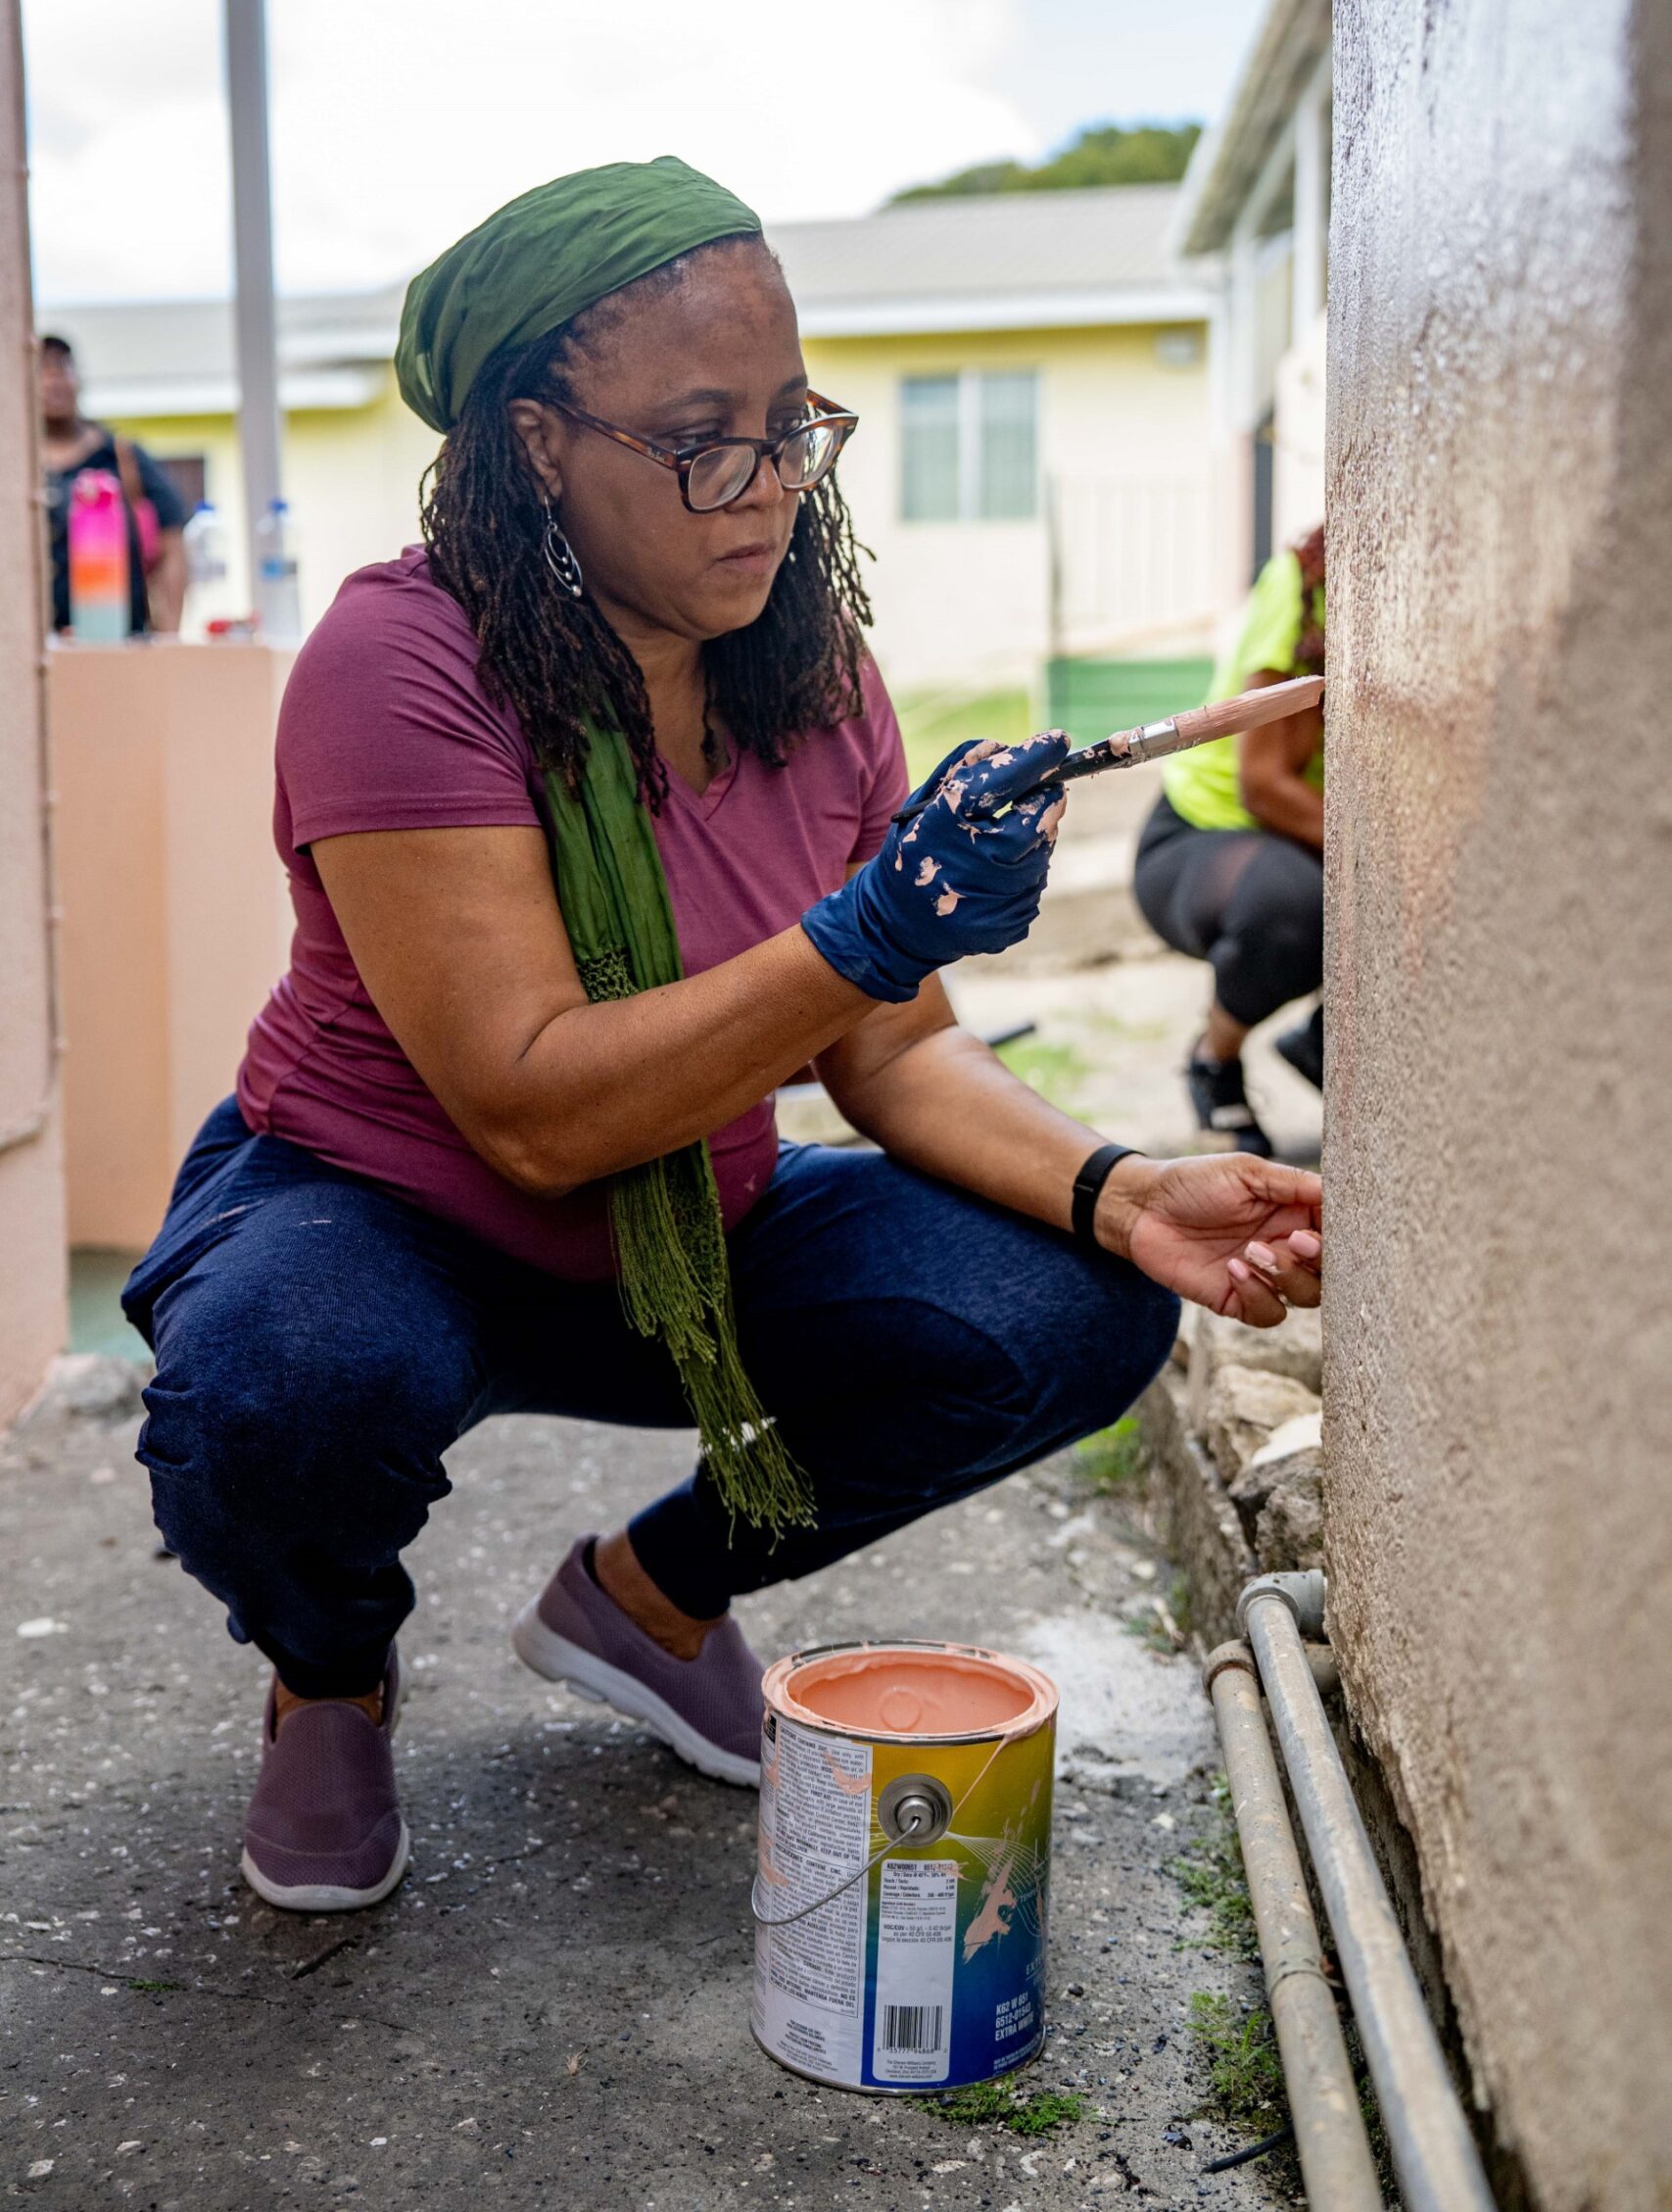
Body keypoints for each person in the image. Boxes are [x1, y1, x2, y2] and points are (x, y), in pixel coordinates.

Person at [121, 159, 1322, 1914]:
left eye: (789, 425)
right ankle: (328, 1671)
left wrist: (1117, 1189)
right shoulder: (401, 658)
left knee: (1069, 1304)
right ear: (538, 441)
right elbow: (529, 1109)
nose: (764, 490)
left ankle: (644, 1600)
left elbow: (894, 1050)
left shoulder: (803, 662)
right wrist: (864, 930)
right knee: (275, 1392)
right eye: (700, 438)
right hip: (389, 1216)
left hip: (701, 1213)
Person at [1132, 522, 1326, 1158]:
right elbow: (1262, 785)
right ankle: (1213, 1058)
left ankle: (1322, 1040)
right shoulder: (1302, 581)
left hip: (1295, 842)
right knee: (1294, 903)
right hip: (1199, 839)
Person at [39, 333, 189, 636]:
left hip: (118, 642)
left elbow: (172, 543)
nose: (54, 379)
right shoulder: (14, 465)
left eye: (63, 367)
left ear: (79, 380)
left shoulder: (122, 456)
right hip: (32, 650)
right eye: (41, 370)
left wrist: (168, 635)